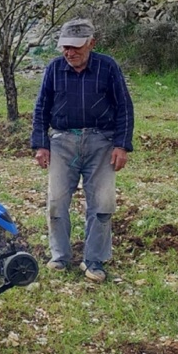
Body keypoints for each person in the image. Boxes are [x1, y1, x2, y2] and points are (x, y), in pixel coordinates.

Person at [30, 18, 134, 283]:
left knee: (102, 203)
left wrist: (121, 145)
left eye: (76, 47)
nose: (70, 52)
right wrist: (41, 144)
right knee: (56, 201)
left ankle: (94, 260)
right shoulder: (54, 69)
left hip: (101, 142)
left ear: (91, 43)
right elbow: (41, 108)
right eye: (65, 46)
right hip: (62, 142)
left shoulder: (107, 67)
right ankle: (60, 256)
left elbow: (123, 106)